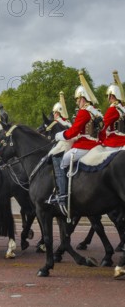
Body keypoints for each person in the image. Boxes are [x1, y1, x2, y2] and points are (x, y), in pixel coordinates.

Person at [51, 71, 103, 215]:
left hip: (84, 147)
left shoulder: (84, 112)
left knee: (63, 161)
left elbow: (73, 132)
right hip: (97, 146)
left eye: (77, 99)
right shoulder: (97, 112)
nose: (77, 102)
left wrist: (59, 135)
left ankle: (62, 195)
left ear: (83, 98)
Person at [99, 70, 125, 150]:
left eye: (110, 96)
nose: (109, 98)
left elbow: (103, 126)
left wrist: (100, 140)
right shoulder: (122, 108)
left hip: (115, 141)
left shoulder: (113, 109)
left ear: (112, 96)